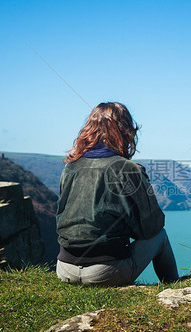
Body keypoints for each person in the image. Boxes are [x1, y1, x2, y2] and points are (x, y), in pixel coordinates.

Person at [55, 102, 180, 286]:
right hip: (104, 272)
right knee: (160, 236)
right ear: (126, 131)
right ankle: (174, 286)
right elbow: (152, 226)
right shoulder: (128, 169)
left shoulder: (70, 167)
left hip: (64, 268)